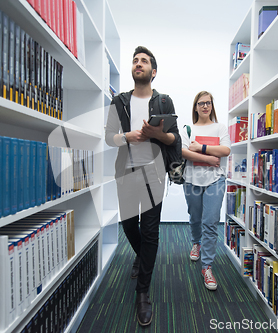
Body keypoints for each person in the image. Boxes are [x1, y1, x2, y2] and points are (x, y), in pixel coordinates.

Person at [104, 46, 179, 326]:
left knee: (150, 232)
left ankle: (143, 292)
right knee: (127, 226)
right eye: (135, 60)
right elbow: (109, 137)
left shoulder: (164, 102)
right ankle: (142, 258)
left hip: (154, 174)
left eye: (144, 61)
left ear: (153, 71)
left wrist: (160, 134)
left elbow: (175, 141)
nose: (139, 64)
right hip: (125, 172)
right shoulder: (119, 101)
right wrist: (129, 136)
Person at [181, 91, 231, 291]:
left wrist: (200, 148)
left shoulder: (220, 127)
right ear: (195, 107)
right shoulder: (188, 128)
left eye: (208, 103)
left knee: (210, 222)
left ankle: (207, 266)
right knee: (195, 217)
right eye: (201, 103)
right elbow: (182, 151)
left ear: (212, 106)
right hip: (191, 179)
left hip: (215, 180)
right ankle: (196, 242)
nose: (204, 106)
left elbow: (225, 150)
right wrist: (211, 156)